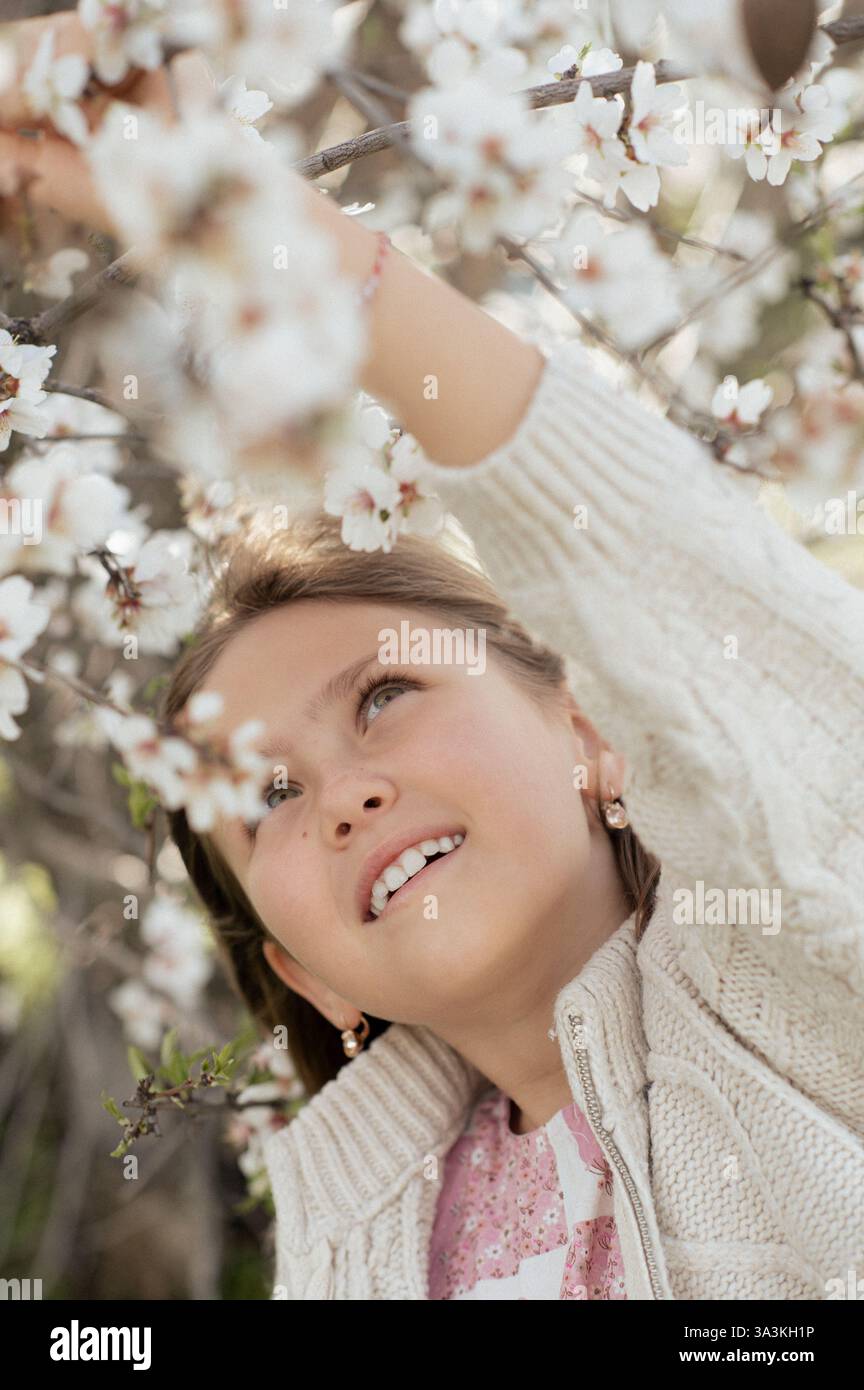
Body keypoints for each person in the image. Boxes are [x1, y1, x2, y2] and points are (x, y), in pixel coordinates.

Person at [4, 11, 863, 1302]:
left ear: (590, 733)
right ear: (301, 972)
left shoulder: (784, 978)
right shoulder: (345, 1241)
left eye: (387, 693)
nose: (343, 792)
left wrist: (220, 193)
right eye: (271, 796)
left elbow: (677, 587)